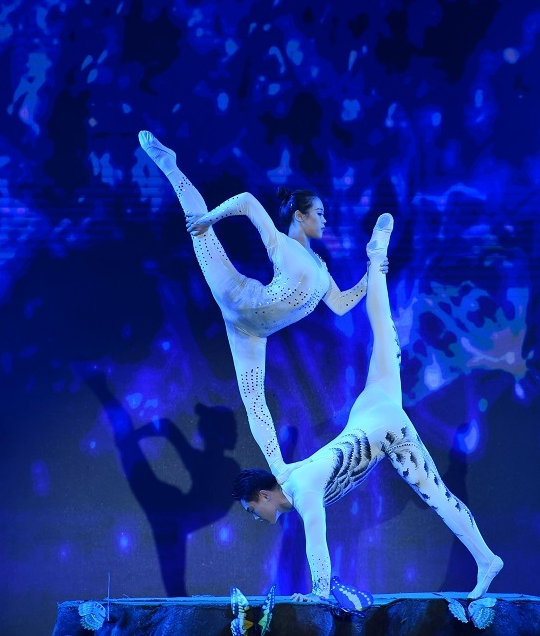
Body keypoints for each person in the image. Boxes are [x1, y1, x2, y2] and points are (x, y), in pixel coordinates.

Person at [231, 214, 504, 601]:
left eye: (250, 509)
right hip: (370, 409)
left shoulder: (301, 489)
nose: (254, 517)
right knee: (383, 330)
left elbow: (316, 541)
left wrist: (319, 594)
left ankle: (487, 559)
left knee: (435, 494)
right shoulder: (290, 476)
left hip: (384, 430)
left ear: (263, 496)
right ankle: (376, 259)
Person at [138, 131, 378, 481]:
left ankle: (279, 470)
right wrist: (209, 219)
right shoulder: (283, 245)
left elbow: (341, 306)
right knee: (199, 228)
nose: (325, 220)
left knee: (254, 400)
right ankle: (168, 163)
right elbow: (248, 201)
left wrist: (369, 278)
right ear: (300, 216)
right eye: (319, 213)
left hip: (250, 333)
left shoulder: (323, 271)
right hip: (236, 295)